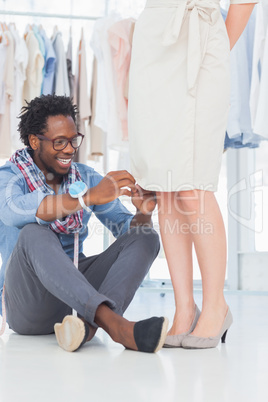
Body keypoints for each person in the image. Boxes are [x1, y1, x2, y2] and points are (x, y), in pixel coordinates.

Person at [128, 1, 258, 348]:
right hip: (153, 41)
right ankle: (184, 307)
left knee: (193, 184)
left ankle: (217, 305)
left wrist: (216, 45)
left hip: (200, 39)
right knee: (165, 184)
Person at [0, 94, 169, 353]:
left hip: (77, 297)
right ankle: (114, 325)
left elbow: (126, 231)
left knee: (146, 236)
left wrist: (143, 213)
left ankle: (85, 327)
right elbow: (13, 212)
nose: (70, 149)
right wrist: (88, 197)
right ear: (34, 141)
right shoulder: (10, 177)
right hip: (29, 305)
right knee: (35, 233)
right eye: (59, 142)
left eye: (73, 140)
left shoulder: (85, 176)